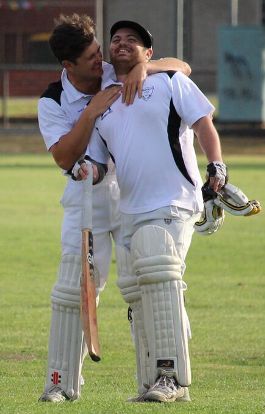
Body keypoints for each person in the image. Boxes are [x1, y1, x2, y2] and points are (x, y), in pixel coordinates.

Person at [37, 13, 192, 403]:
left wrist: (145, 65)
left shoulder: (113, 71)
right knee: (74, 289)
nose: (99, 61)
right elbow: (62, 157)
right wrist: (90, 113)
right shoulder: (52, 100)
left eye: (97, 51)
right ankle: (61, 383)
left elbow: (182, 68)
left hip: (128, 196)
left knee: (147, 285)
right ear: (67, 65)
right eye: (89, 58)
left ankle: (161, 377)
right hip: (83, 200)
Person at [79, 20, 228, 403]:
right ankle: (149, 380)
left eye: (134, 41)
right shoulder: (105, 100)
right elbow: (99, 162)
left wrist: (217, 165)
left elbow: (203, 123)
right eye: (116, 39)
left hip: (174, 200)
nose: (122, 43)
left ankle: (172, 378)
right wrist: (85, 170)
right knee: (138, 291)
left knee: (159, 275)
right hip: (129, 207)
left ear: (148, 53)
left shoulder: (170, 81)